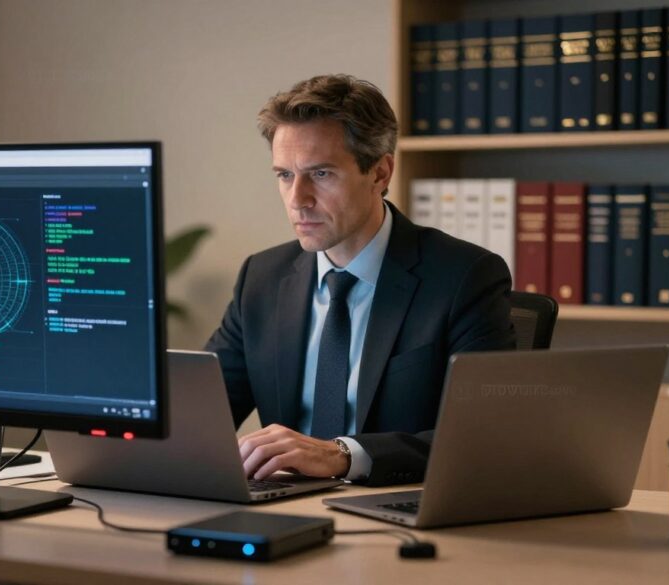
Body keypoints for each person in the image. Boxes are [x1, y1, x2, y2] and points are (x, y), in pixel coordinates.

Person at [204, 74, 515, 487]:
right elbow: (199, 415)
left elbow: (485, 437)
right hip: (283, 509)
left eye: (320, 174)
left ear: (380, 173)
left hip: (396, 511)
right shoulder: (261, 279)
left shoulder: (464, 277)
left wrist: (343, 456)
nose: (297, 199)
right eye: (284, 175)